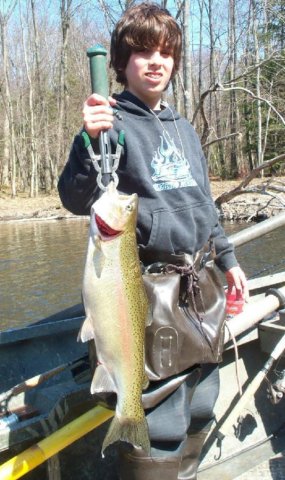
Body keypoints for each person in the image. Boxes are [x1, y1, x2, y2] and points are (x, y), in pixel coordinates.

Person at [58, 3, 248, 479]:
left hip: (200, 289)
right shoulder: (112, 124)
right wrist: (88, 142)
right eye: (143, 52)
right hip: (146, 294)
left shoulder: (183, 129)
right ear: (122, 63)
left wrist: (228, 260)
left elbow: (205, 206)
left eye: (165, 52)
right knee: (158, 417)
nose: (156, 61)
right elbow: (77, 197)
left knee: (201, 402)